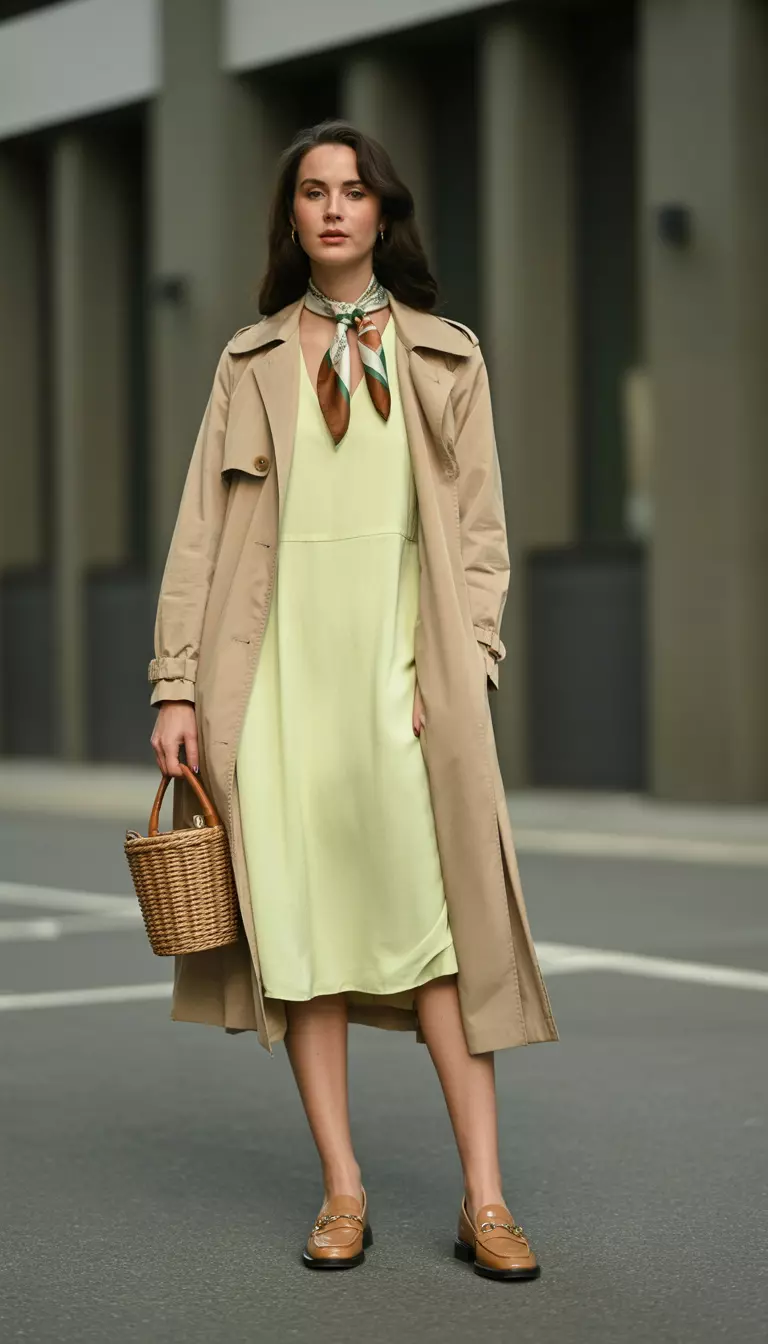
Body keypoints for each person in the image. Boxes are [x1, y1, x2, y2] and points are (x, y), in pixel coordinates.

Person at [149, 118, 558, 1278]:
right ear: (292, 216)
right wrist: (177, 688)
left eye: (355, 190)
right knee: (306, 942)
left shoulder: (446, 357)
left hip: (399, 687)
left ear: (385, 212)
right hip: (270, 695)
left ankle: (487, 1198)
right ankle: (344, 1191)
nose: (334, 208)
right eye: (314, 192)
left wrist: (463, 664)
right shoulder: (246, 365)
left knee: (435, 940)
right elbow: (196, 541)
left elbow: (481, 539)